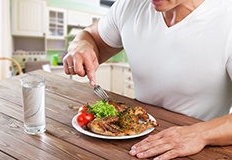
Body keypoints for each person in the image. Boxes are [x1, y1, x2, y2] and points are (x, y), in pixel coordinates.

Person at [63, 0, 232, 159]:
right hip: (132, 141)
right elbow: (89, 37)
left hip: (199, 148)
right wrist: (81, 46)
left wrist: (200, 134)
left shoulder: (227, 18)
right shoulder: (130, 6)